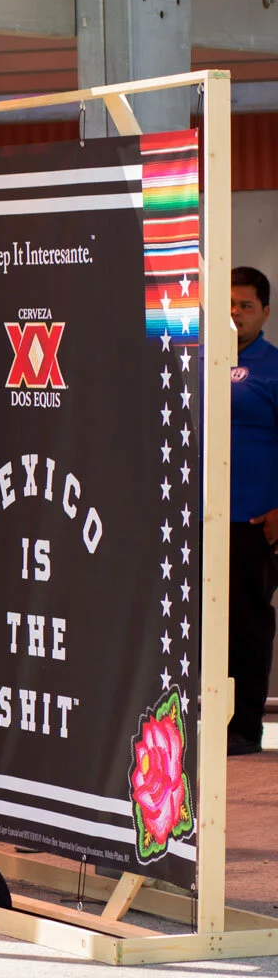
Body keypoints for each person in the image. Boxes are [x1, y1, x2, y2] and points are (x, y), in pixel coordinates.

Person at [228, 266, 278, 756]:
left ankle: (245, 728)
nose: (235, 314)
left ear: (264, 311)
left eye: (245, 305)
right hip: (202, 522)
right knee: (202, 630)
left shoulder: (272, 367)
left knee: (247, 624)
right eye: (229, 304)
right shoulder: (196, 359)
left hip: (252, 523)